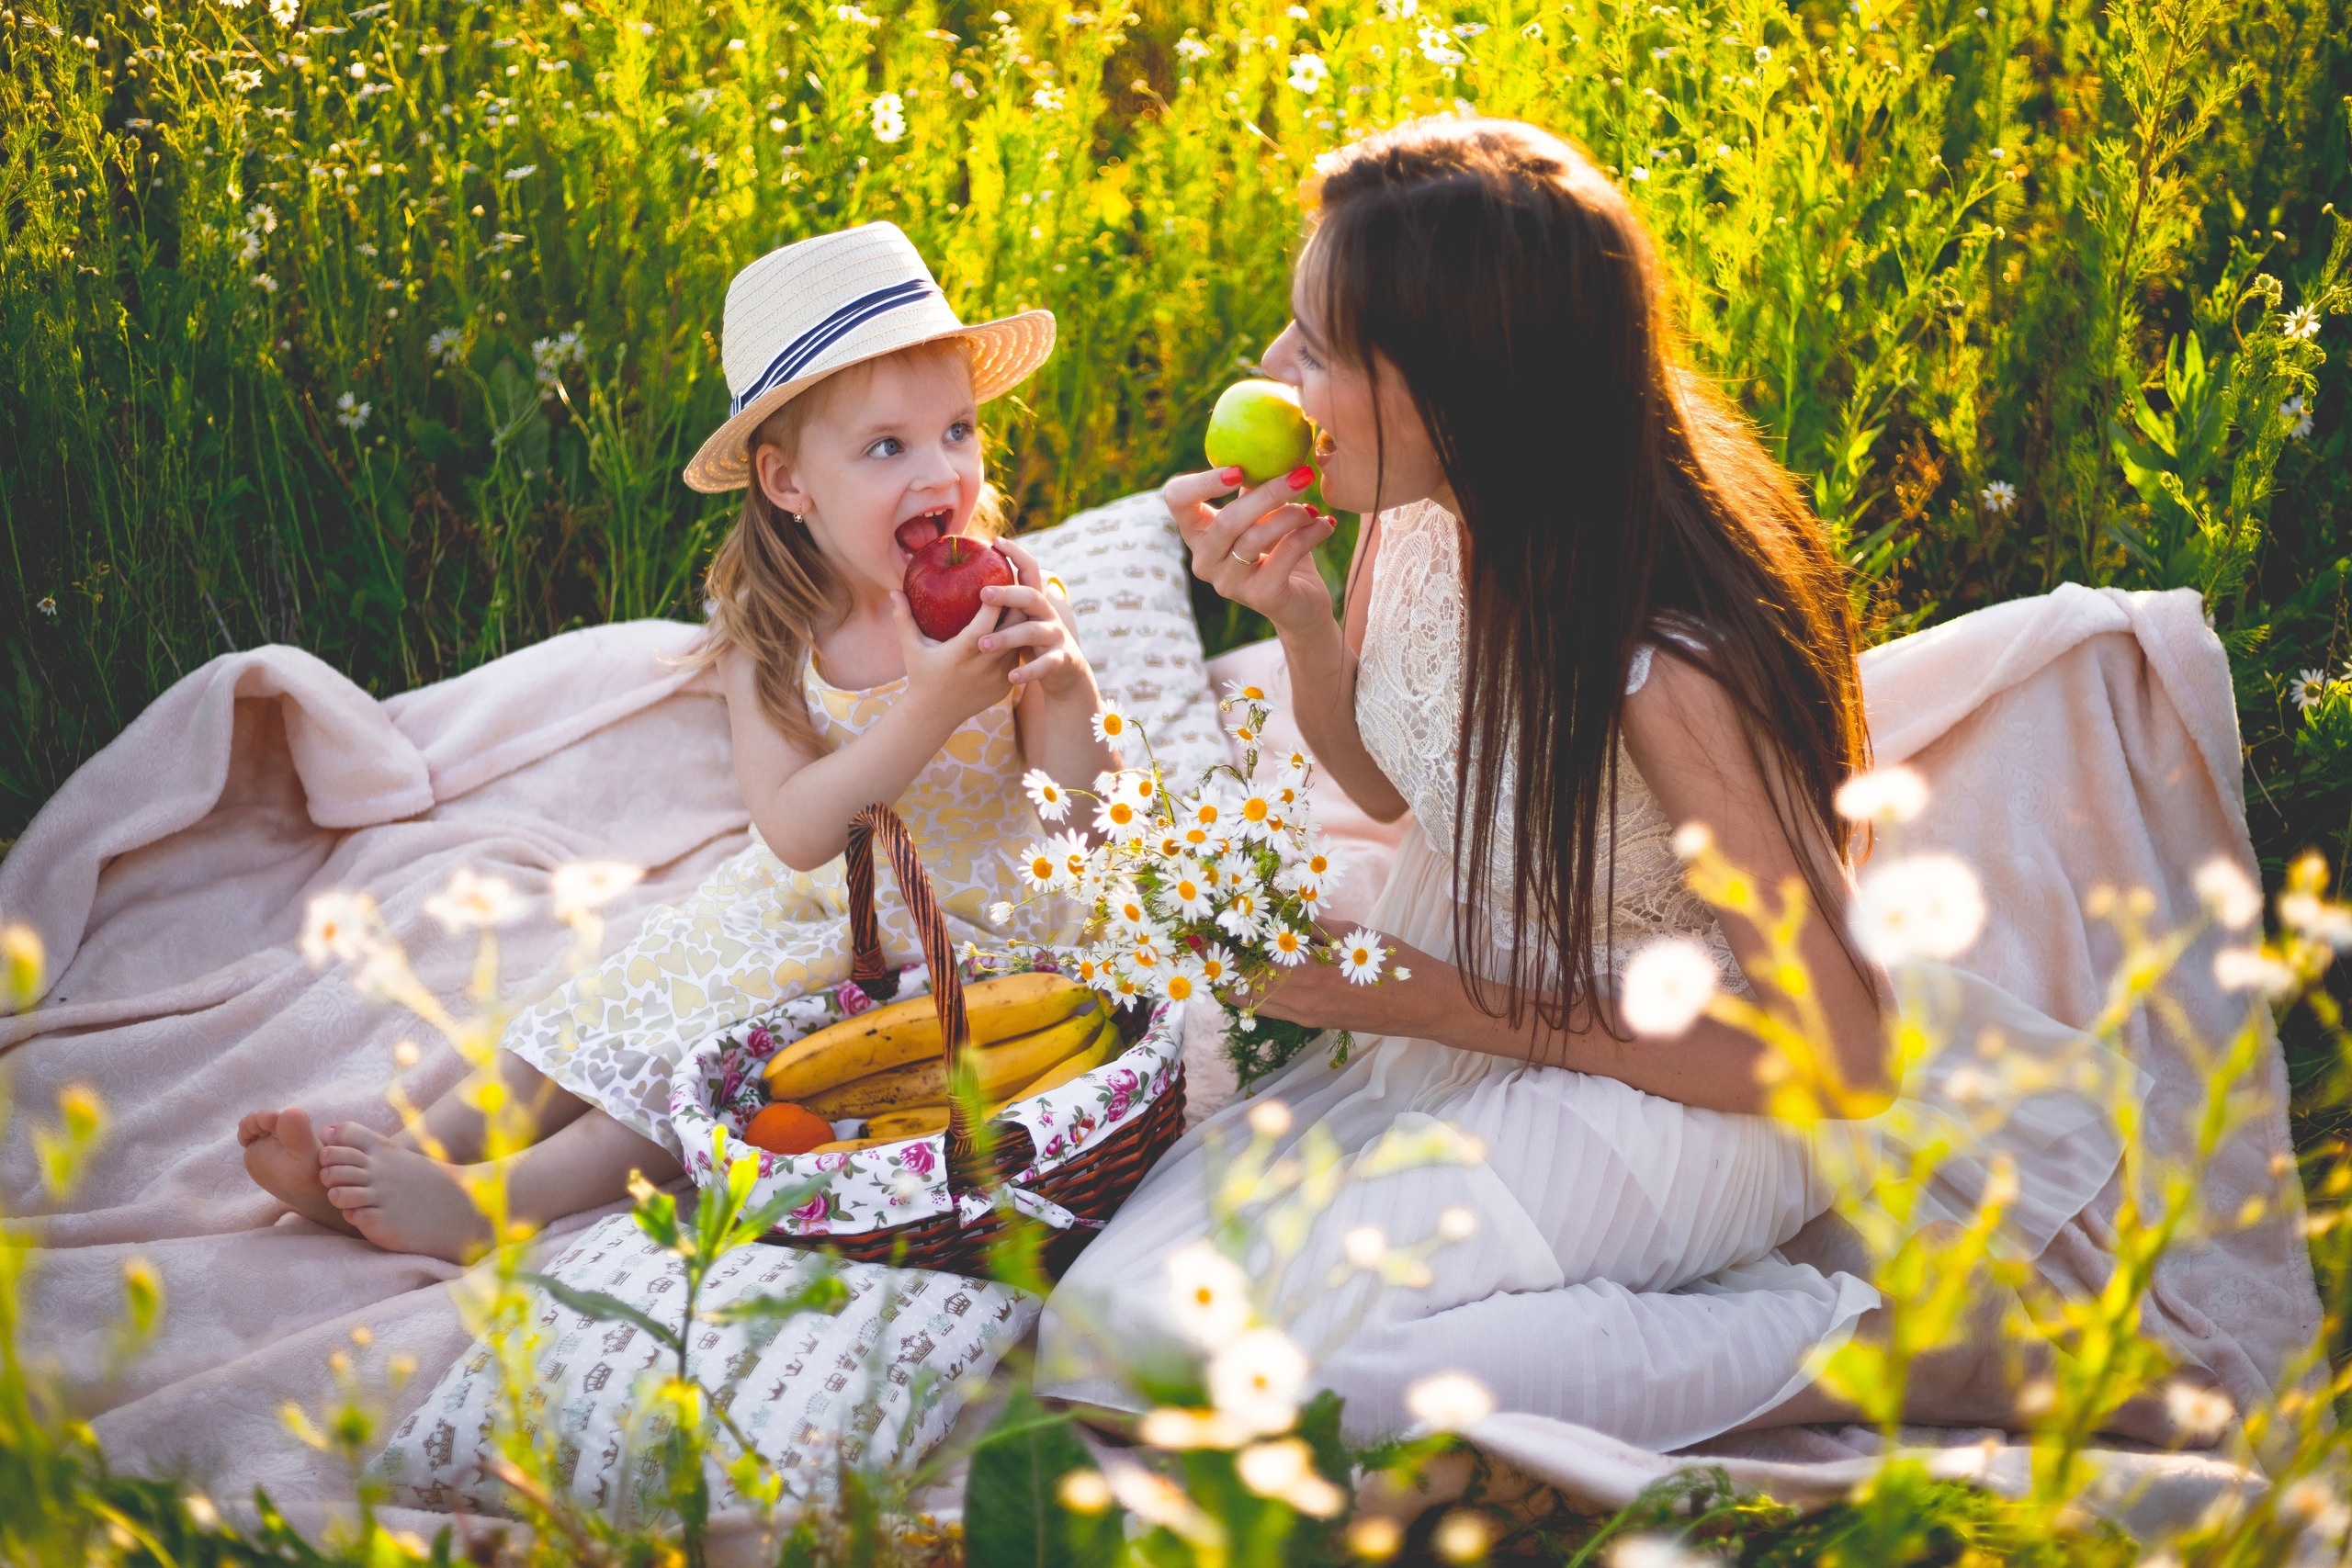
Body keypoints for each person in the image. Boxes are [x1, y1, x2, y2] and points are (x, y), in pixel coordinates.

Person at [1037, 119, 2188, 1448]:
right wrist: (1298, 617)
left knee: (1333, 1389)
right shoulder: (1411, 517)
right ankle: (1656, 1316)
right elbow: (1398, 781)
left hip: (1691, 1091)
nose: (1276, 380)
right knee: (1114, 1335)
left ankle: (1904, 1356)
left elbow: (1849, 1061)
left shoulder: (1663, 665)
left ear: (1464, 382)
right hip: (1462, 1038)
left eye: (1323, 349)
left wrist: (1442, 997)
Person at [238, 222, 1113, 1261]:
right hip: (819, 895)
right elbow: (792, 832)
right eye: (888, 446)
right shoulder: (770, 627)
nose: (941, 472)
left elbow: (1085, 815)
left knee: (713, 1046)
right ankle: (416, 1146)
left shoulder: (1002, 596)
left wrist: (1062, 679)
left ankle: (497, 1201)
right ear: (789, 484)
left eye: (958, 431)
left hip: (966, 929)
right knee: (619, 996)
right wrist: (925, 707)